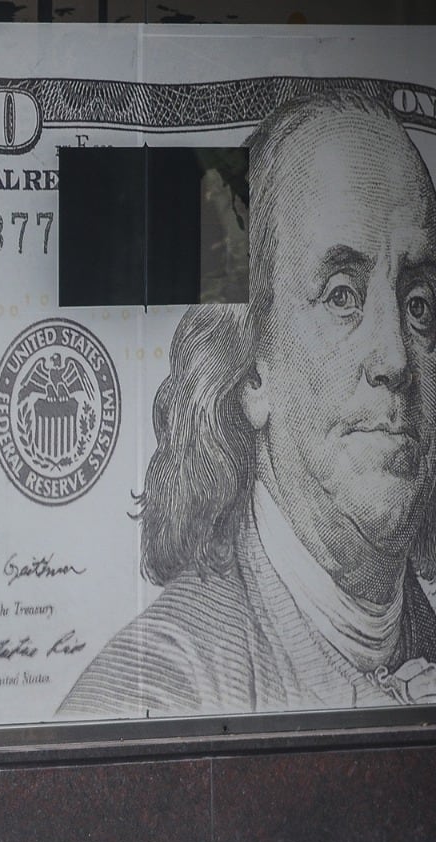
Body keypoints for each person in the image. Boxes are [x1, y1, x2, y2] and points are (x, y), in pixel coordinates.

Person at [59, 90, 436, 716]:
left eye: (419, 304)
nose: (396, 358)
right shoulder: (154, 690)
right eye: (341, 295)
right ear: (254, 371)